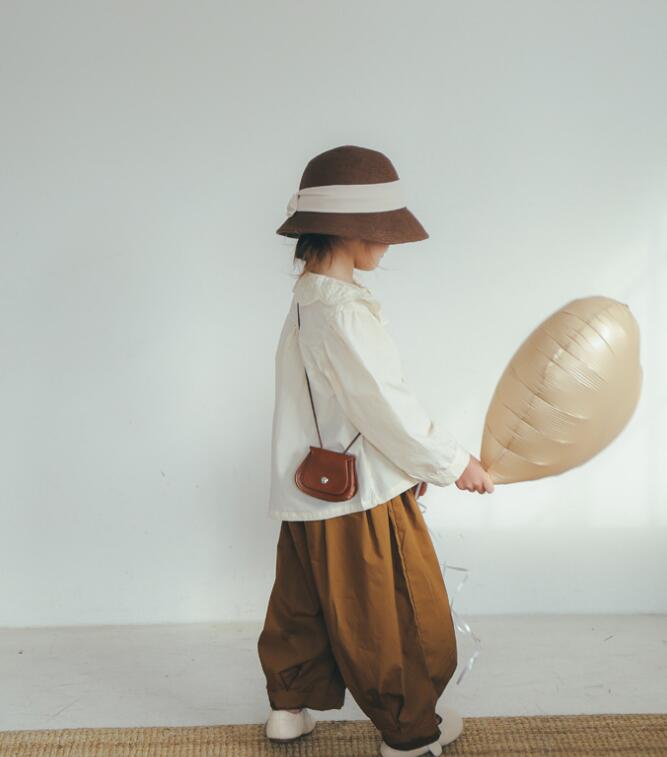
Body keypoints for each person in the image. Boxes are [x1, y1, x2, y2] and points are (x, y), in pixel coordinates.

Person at [257, 145, 494, 757]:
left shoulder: (308, 297)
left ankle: (288, 708)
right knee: (391, 614)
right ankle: (409, 734)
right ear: (350, 230)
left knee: (302, 603)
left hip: (305, 486)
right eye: (382, 232)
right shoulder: (345, 312)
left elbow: (340, 404)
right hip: (357, 498)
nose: (388, 246)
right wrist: (452, 463)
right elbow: (385, 406)